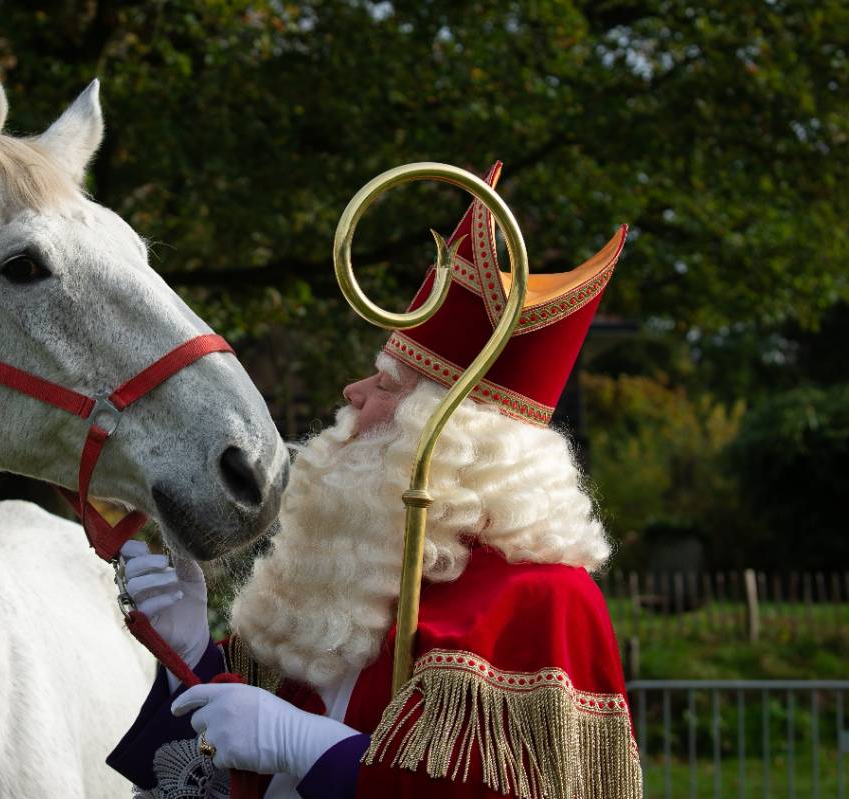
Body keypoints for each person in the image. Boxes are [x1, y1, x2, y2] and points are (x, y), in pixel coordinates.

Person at [106, 163, 642, 799]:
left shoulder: (545, 600)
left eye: (386, 385)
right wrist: (190, 654)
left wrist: (320, 753)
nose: (352, 392)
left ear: (450, 437)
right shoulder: (350, 574)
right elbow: (225, 771)